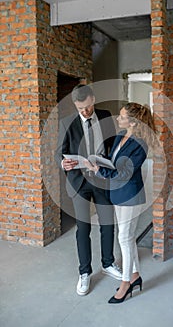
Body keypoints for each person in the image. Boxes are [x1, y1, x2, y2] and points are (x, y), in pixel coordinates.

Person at [85, 102, 156, 304]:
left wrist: (98, 170)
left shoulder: (140, 145)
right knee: (128, 237)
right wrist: (97, 161)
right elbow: (112, 160)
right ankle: (135, 275)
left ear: (132, 122)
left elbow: (124, 174)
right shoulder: (119, 137)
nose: (118, 119)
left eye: (122, 117)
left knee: (124, 238)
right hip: (117, 194)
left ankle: (126, 283)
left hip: (130, 196)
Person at [55, 84, 122, 296]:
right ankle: (84, 272)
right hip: (79, 183)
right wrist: (62, 164)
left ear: (93, 99)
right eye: (80, 108)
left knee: (108, 224)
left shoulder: (105, 116)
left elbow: (114, 145)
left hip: (102, 179)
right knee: (83, 229)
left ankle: (108, 263)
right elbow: (59, 153)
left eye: (88, 106)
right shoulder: (67, 123)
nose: (85, 112)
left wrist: (112, 162)